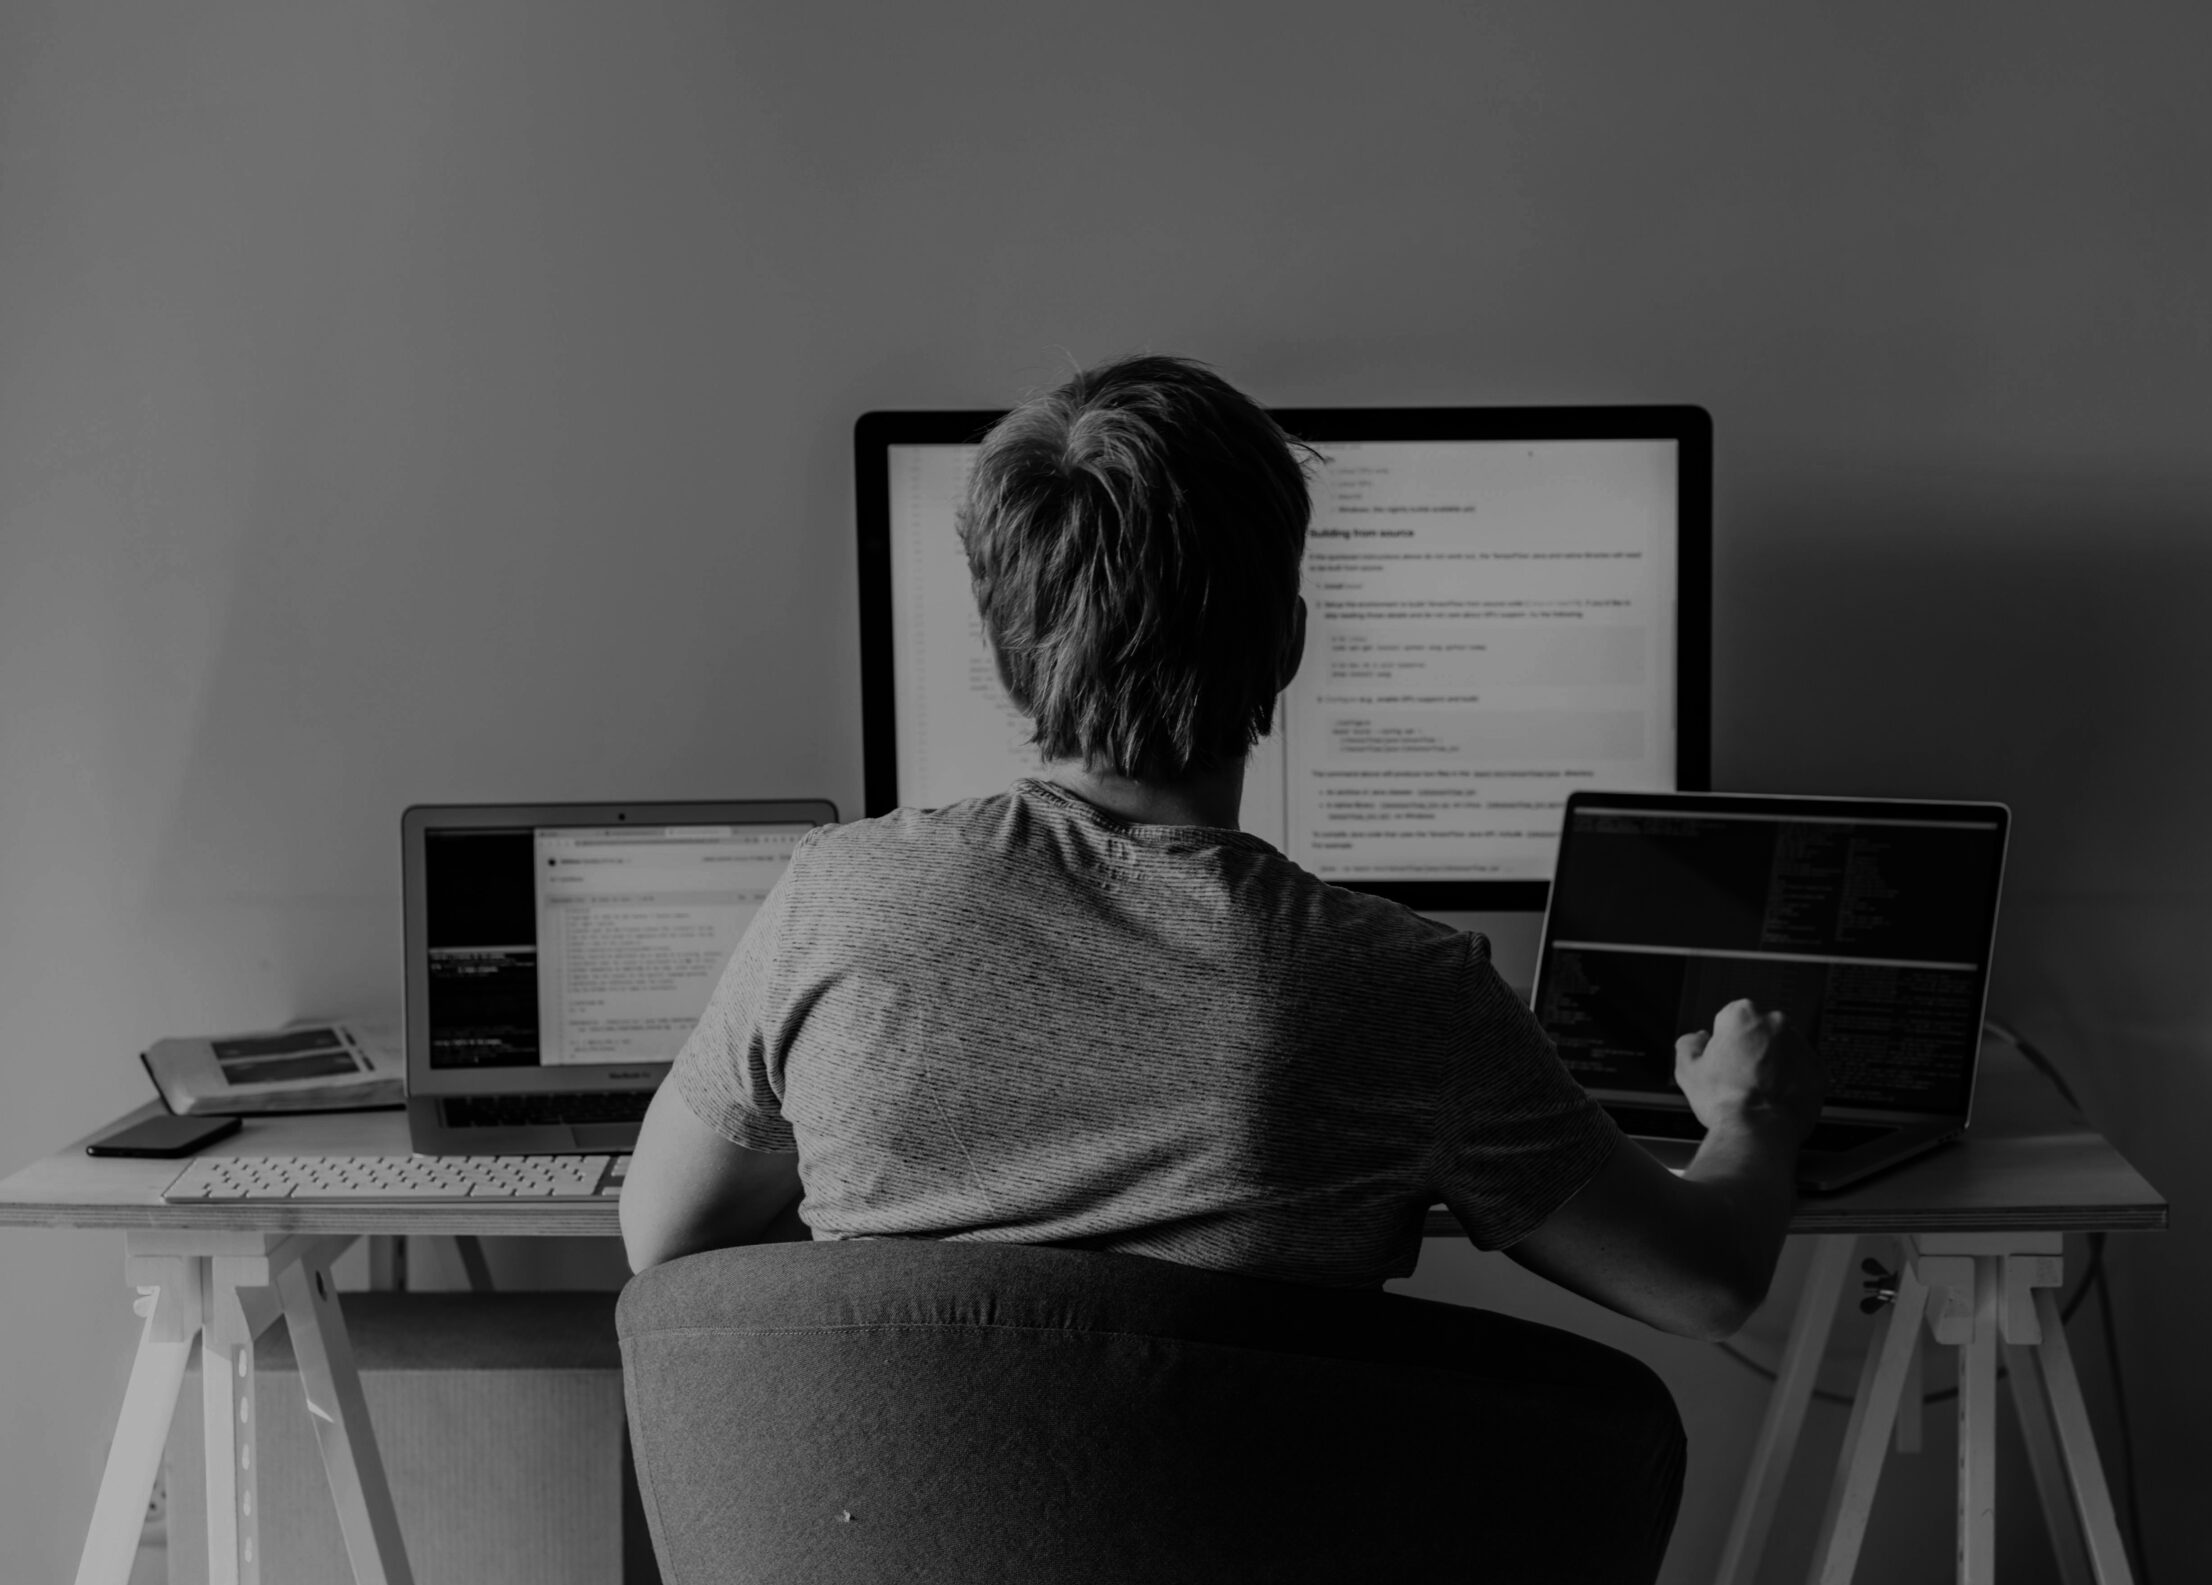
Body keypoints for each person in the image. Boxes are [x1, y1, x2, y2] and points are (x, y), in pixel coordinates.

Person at [619, 355, 1820, 1338]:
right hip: (1248, 1567)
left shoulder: (836, 898)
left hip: (881, 1564)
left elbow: (664, 1236)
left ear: (999, 649)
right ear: (1288, 644)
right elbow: (1702, 1288)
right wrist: (1749, 1116)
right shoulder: (1402, 991)